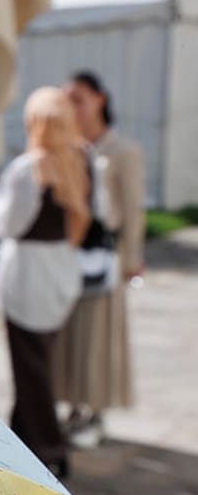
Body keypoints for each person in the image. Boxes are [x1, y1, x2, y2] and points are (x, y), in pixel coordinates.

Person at [0, 87, 89, 478]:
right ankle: (20, 444)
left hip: (27, 277)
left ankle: (50, 447)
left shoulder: (28, 169)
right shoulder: (80, 161)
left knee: (31, 368)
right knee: (36, 363)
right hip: (62, 270)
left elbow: (6, 224)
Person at [56, 71, 146, 448]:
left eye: (79, 98)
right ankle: (73, 405)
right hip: (67, 257)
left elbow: (132, 209)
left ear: (99, 99)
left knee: (98, 336)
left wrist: (132, 259)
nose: (73, 106)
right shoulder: (68, 147)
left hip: (104, 258)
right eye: (68, 99)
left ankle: (93, 408)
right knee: (69, 335)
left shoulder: (121, 150)